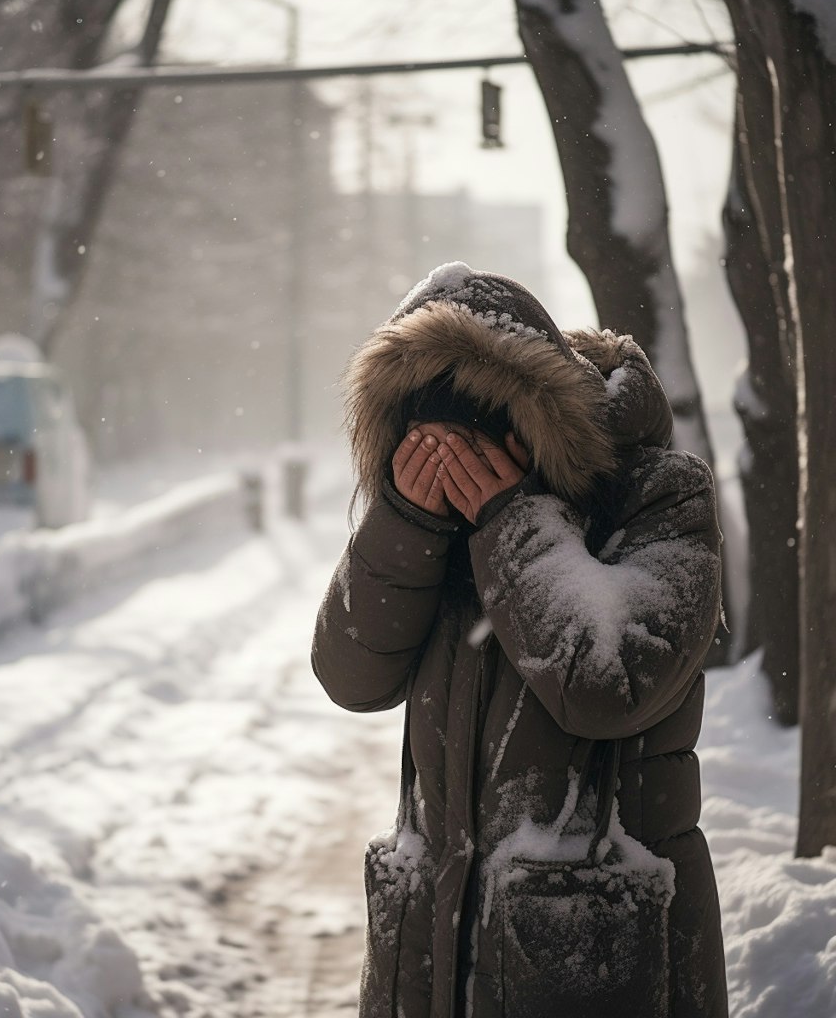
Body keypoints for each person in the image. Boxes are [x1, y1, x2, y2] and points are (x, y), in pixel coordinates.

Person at [311, 263, 728, 1018]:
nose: (447, 465)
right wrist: (407, 521)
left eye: (466, 439)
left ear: (531, 422)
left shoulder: (662, 496)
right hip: (431, 952)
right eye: (417, 441)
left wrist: (510, 520)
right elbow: (350, 674)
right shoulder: (430, 517)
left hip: (598, 954)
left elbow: (609, 682)